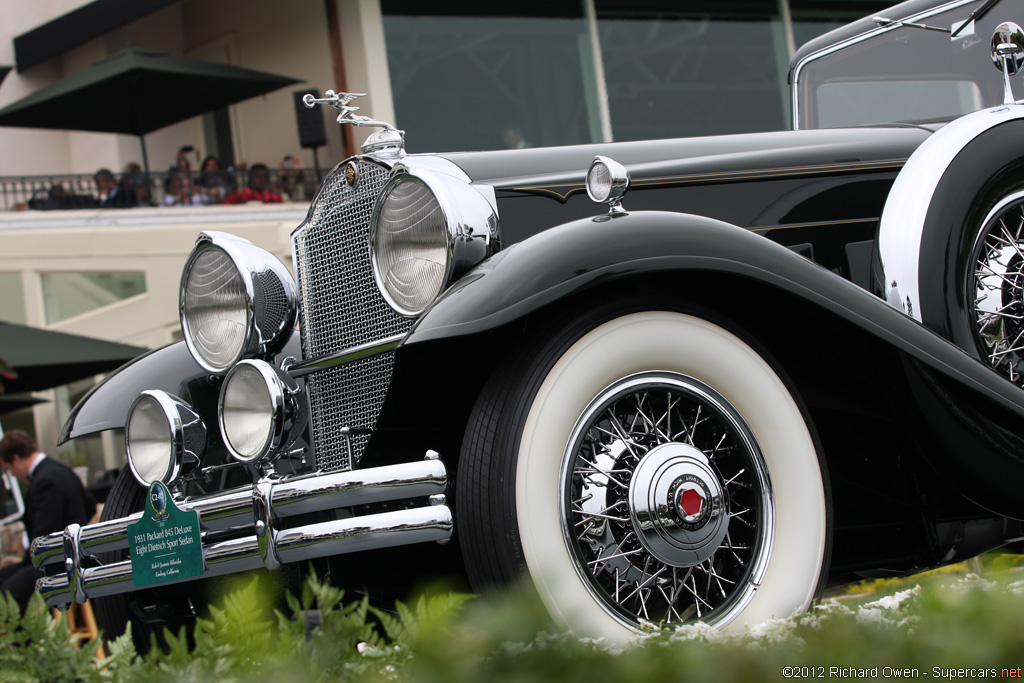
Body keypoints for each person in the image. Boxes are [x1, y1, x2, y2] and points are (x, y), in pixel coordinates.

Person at [0, 430, 96, 614]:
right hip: (73, 558)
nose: (13, 474)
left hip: (57, 565)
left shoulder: (45, 481)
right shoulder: (62, 470)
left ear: (16, 458)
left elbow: (44, 535)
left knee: (6, 597)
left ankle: (27, 642)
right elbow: (90, 505)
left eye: (9, 469)